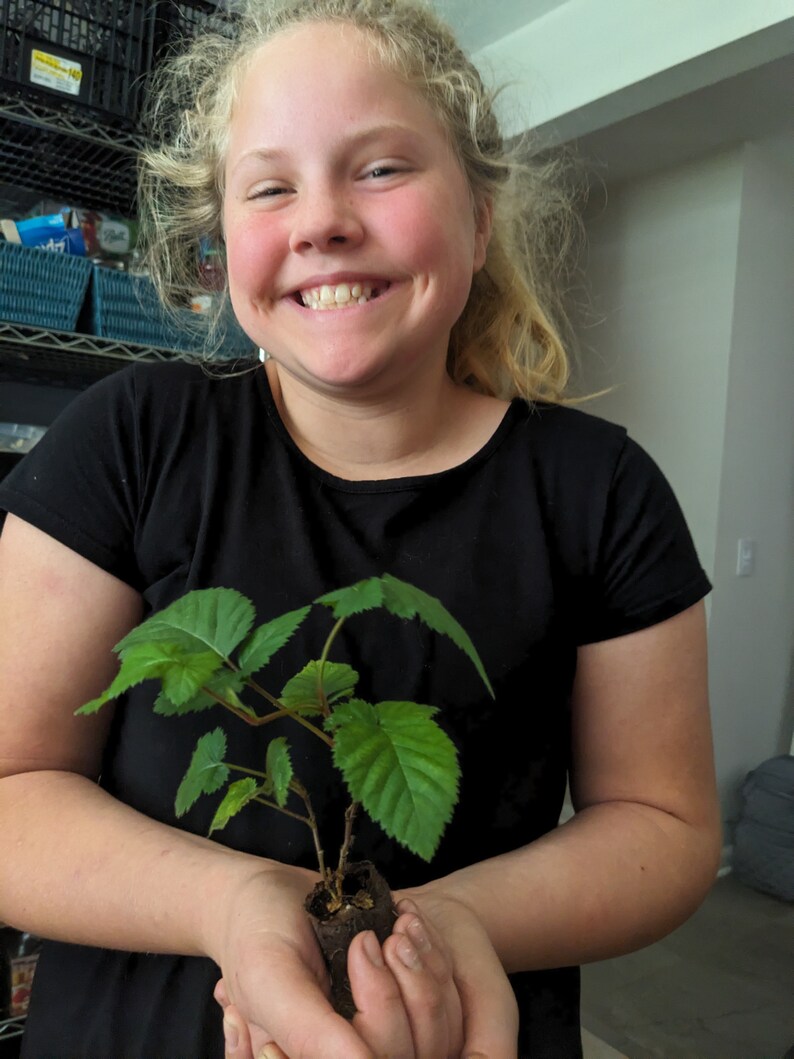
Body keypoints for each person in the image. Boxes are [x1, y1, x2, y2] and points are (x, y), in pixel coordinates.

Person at [0, 1, 722, 1056]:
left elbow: (665, 826)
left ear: (479, 220)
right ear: (220, 247)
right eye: (270, 185)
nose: (322, 220)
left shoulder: (599, 490)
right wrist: (232, 903)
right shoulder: (131, 440)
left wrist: (447, 925)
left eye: (380, 169)